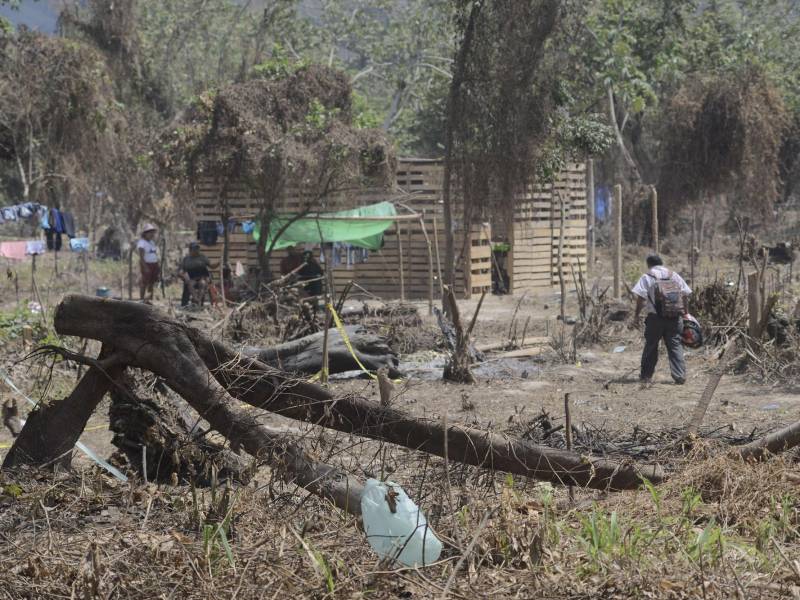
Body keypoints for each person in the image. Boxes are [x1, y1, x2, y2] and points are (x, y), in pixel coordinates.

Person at [632, 254, 692, 384]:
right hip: (675, 317)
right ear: (661, 263)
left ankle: (646, 376)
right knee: (675, 346)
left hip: (655, 319)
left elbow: (641, 298)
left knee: (651, 346)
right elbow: (685, 294)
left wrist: (636, 316)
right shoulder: (673, 275)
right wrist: (685, 313)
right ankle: (679, 376)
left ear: (648, 264)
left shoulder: (647, 276)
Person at [179, 242, 213, 306]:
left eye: (197, 249)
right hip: (192, 278)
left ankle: (198, 301)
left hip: (202, 277)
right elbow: (181, 270)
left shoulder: (203, 257)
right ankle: (195, 299)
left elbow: (211, 266)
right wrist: (183, 275)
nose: (197, 250)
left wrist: (218, 263)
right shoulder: (186, 259)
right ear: (190, 250)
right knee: (189, 284)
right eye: (195, 249)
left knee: (202, 283)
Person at [137, 223, 160, 302]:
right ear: (145, 233)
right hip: (147, 264)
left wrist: (157, 264)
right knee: (144, 283)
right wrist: (145, 267)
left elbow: (154, 254)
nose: (151, 234)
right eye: (150, 232)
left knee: (151, 283)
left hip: (154, 264)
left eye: (152, 232)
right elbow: (141, 257)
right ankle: (141, 299)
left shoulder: (152, 242)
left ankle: (149, 299)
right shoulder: (142, 243)